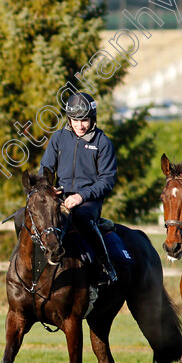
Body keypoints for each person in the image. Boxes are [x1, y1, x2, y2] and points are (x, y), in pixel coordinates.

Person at [38, 92, 119, 286]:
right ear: (69, 118)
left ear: (93, 119)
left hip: (89, 201)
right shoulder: (58, 138)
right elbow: (45, 170)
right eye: (75, 120)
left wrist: (81, 197)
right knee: (26, 216)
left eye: (84, 120)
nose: (79, 125)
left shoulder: (102, 142)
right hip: (60, 196)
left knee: (81, 219)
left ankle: (105, 267)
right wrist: (49, 190)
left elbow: (107, 180)